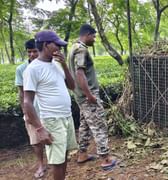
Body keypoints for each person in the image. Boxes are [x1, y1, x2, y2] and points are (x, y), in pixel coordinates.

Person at [23, 30, 78, 180]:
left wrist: (65, 65)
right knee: (57, 161)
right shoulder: (33, 69)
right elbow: (27, 102)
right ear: (46, 45)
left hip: (66, 117)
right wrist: (40, 129)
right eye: (57, 45)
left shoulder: (56, 64)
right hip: (52, 120)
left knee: (64, 155)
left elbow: (72, 86)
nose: (59, 48)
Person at [68, 24, 116, 170]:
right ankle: (106, 158)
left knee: (85, 125)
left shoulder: (73, 47)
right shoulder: (81, 49)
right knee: (99, 125)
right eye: (94, 36)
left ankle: (82, 154)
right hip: (87, 96)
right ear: (87, 34)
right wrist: (89, 95)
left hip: (80, 96)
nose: (94, 39)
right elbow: (79, 73)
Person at [15, 39, 46, 178]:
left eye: (35, 51)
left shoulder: (46, 65)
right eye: (29, 52)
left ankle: (55, 160)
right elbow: (21, 93)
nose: (32, 54)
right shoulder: (21, 69)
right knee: (36, 140)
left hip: (47, 108)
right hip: (32, 109)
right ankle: (41, 164)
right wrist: (25, 112)